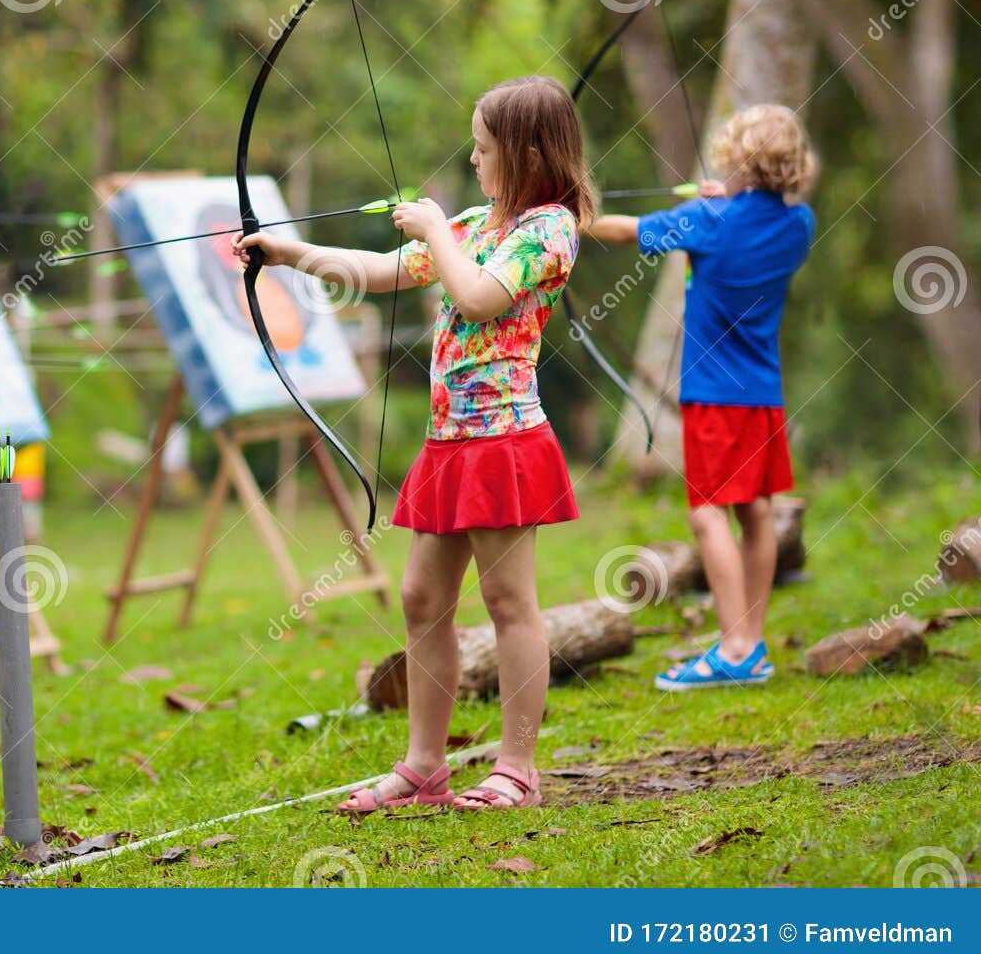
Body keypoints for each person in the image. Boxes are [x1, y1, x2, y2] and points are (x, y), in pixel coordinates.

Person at [235, 75, 591, 811]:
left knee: (507, 600)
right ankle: (425, 765)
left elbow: (479, 296)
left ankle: (516, 768)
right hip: (449, 443)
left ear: (525, 152)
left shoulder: (548, 230)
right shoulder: (475, 223)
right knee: (422, 595)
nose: (472, 157)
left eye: (483, 146)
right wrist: (286, 252)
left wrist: (434, 231)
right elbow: (382, 273)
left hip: (504, 441)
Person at [587, 103, 816, 691]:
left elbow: (624, 231)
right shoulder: (800, 225)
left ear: (739, 162)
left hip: (715, 395)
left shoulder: (708, 220)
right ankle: (751, 642)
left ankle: (735, 647)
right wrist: (726, 200)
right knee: (756, 510)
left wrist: (569, 217)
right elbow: (751, 227)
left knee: (705, 511)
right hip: (762, 394)